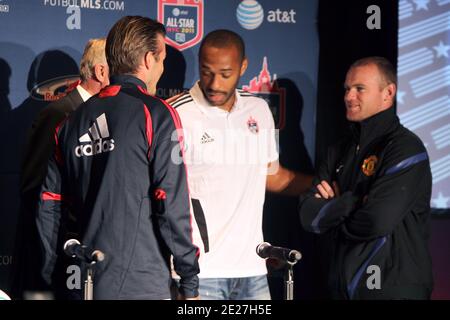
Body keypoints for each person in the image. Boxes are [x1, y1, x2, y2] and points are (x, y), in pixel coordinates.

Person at [36, 16, 199, 300]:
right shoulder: (157, 114)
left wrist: (51, 271)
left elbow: (48, 205)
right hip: (140, 281)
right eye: (162, 60)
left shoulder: (70, 122)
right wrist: (189, 279)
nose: (162, 69)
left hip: (81, 278)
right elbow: (170, 201)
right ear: (149, 59)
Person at [168, 29, 312, 300]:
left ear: (243, 67)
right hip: (200, 274)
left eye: (225, 74)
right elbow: (161, 193)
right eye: (207, 71)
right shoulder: (176, 113)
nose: (214, 83)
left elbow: (273, 176)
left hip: (252, 270)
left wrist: (322, 185)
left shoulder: (258, 111)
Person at [298, 57, 433, 299]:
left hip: (392, 291)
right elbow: (308, 215)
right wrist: (357, 200)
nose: (349, 97)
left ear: (388, 93)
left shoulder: (406, 148)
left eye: (359, 89)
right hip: (340, 289)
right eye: (347, 89)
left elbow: (376, 220)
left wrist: (334, 208)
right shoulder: (338, 150)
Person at [12, 38, 109, 299]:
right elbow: (35, 185)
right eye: (118, 68)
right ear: (101, 72)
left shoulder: (107, 116)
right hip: (52, 254)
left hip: (85, 251)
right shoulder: (58, 114)